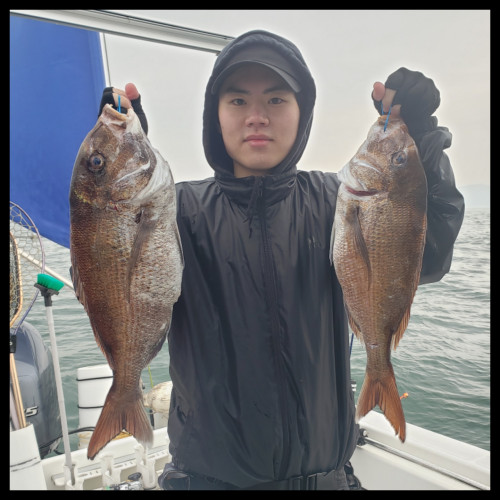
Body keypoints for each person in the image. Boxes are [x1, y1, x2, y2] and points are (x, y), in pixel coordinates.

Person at [98, 30, 464, 490]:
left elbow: (427, 257)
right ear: (215, 114)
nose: (256, 117)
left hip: (327, 479)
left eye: (275, 99)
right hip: (205, 480)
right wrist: (124, 173)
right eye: (236, 101)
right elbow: (106, 284)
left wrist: (423, 146)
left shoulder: (338, 203)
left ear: (301, 112)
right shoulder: (178, 211)